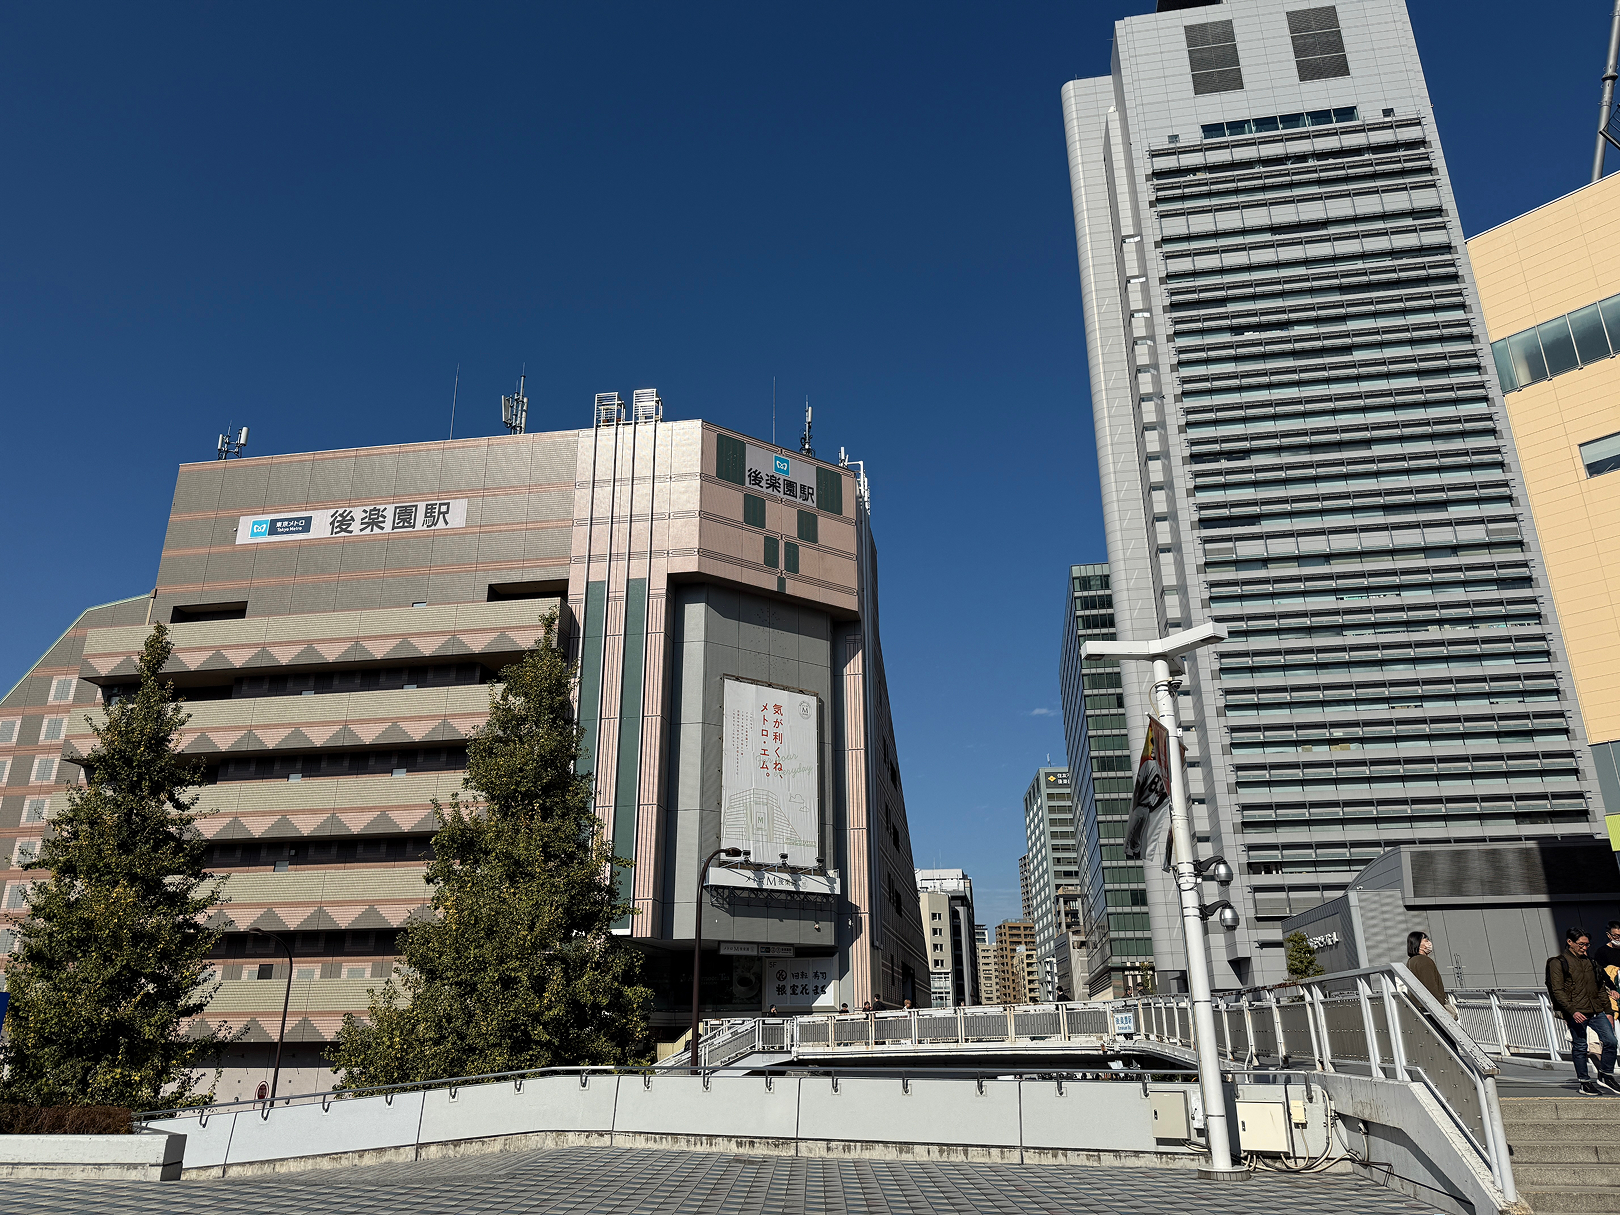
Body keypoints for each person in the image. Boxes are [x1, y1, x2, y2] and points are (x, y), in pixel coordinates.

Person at [1546, 927, 1620, 1096]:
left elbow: (1600, 987)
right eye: (1581, 944)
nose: (1585, 947)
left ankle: (1606, 1075)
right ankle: (1584, 1082)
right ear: (1569, 942)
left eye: (1587, 944)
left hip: (1596, 1010)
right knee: (1580, 1046)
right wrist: (1571, 1011)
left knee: (1611, 1042)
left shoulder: (1590, 962)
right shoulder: (1558, 962)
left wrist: (1607, 1011)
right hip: (1576, 1011)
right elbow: (1557, 991)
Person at [1404, 930, 1455, 1018]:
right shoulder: (1424, 961)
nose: (1429, 943)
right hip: (1430, 1008)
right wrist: (1440, 1006)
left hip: (1418, 1006)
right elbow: (1431, 985)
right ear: (1418, 944)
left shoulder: (1411, 961)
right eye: (1426, 941)